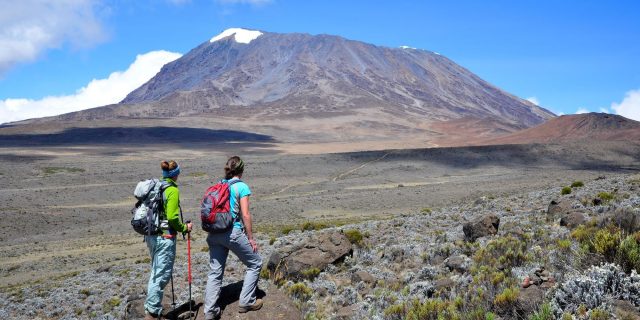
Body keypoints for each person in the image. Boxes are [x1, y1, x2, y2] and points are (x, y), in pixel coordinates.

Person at [204, 156, 263, 319]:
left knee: (215, 272)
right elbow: (245, 214)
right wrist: (250, 238)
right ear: (241, 170)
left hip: (214, 233)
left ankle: (209, 312)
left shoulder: (220, 184)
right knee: (255, 262)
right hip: (232, 232)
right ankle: (246, 301)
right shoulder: (242, 187)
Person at [145, 160, 193, 320]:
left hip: (152, 235)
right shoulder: (172, 190)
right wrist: (184, 228)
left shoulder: (158, 186)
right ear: (175, 174)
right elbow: (172, 217)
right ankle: (151, 314)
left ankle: (152, 310)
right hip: (165, 237)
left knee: (156, 271)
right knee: (161, 275)